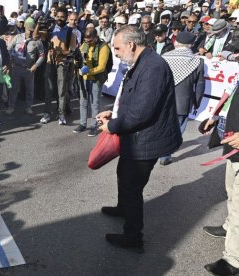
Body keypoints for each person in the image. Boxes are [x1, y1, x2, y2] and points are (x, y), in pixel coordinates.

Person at [97, 25, 182, 252]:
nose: (115, 52)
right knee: (123, 176)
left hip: (146, 140)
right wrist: (112, 113)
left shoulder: (153, 67)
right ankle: (122, 208)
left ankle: (133, 237)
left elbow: (141, 112)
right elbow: (131, 99)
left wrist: (112, 126)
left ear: (131, 45)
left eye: (117, 48)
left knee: (132, 187)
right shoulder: (141, 61)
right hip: (135, 138)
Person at [202, 75, 239, 276]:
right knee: (232, 193)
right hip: (233, 148)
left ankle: (234, 260)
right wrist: (219, 118)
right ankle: (230, 227)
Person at [159, 32, 205, 165]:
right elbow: (200, 85)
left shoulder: (164, 58)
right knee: (177, 129)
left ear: (175, 43)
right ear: (191, 45)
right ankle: (165, 154)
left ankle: (160, 150)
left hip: (162, 100)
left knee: (163, 126)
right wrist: (196, 102)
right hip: (183, 103)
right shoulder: (197, 61)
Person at [40, 7, 78, 125]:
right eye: (58, 16)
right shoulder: (51, 29)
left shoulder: (71, 32)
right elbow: (38, 37)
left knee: (61, 91)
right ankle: (47, 113)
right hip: (49, 63)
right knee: (48, 90)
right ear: (55, 16)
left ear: (66, 18)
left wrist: (60, 52)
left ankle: (61, 114)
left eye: (62, 17)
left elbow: (72, 51)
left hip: (62, 64)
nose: (60, 19)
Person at [74, 29, 110, 137]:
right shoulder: (85, 44)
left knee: (95, 103)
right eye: (86, 41)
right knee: (83, 101)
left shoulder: (103, 47)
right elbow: (79, 57)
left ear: (95, 37)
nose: (88, 43)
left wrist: (88, 71)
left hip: (96, 78)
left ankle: (94, 125)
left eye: (90, 41)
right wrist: (76, 61)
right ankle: (82, 124)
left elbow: (102, 67)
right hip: (84, 78)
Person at [5, 20, 44, 115]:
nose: (30, 32)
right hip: (17, 67)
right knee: (14, 88)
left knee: (30, 89)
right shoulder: (17, 37)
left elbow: (42, 55)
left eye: (32, 30)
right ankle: (11, 107)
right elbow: (9, 49)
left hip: (29, 68)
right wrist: (11, 59)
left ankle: (28, 107)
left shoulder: (37, 41)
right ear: (25, 28)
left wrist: (36, 65)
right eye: (29, 29)